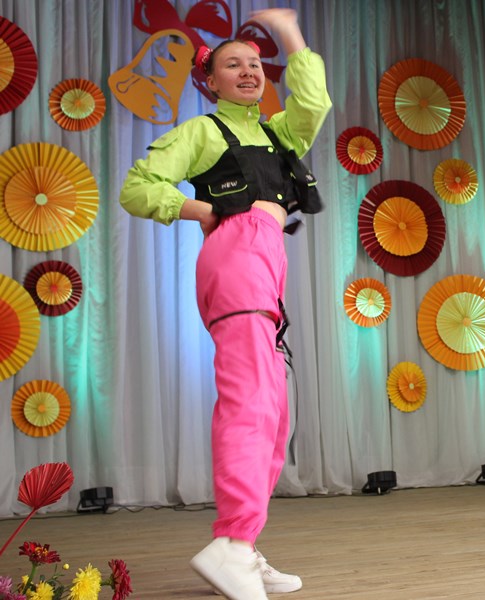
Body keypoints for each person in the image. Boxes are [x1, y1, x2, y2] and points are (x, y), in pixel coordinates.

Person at [119, 8, 331, 598]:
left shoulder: (279, 133)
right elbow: (137, 188)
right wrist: (205, 211)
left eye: (255, 64)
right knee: (251, 403)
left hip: (266, 265)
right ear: (209, 81)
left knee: (274, 413)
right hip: (237, 256)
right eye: (232, 65)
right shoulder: (203, 131)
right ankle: (232, 545)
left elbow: (313, 103)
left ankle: (243, 543)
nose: (248, 72)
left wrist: (288, 33)